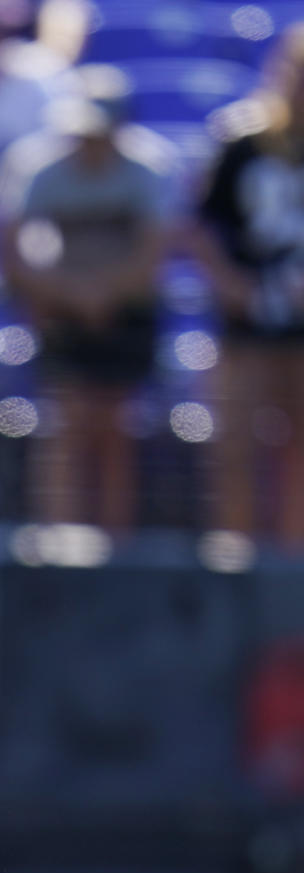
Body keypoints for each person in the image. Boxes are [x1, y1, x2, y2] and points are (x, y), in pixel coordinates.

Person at [0, 65, 171, 529]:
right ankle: (62, 541)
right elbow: (10, 251)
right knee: (66, 423)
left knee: (118, 427)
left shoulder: (152, 168)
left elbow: (156, 255)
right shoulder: (35, 166)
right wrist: (71, 295)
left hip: (127, 314)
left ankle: (116, 543)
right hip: (60, 312)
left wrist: (102, 294)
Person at [189, 22, 304, 544]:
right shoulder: (242, 142)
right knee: (237, 448)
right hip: (246, 325)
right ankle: (236, 560)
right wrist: (230, 282)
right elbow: (196, 226)